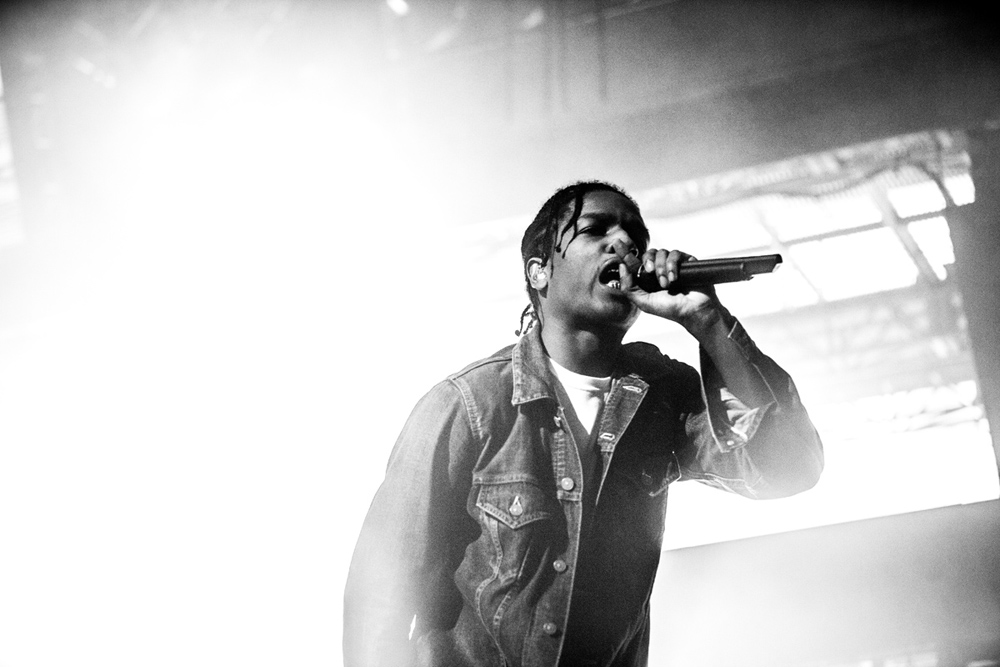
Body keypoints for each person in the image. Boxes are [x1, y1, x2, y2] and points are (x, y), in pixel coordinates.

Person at [343, 181, 823, 667]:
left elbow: (788, 468)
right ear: (540, 271)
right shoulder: (470, 404)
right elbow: (379, 597)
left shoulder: (663, 397)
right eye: (596, 229)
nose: (626, 245)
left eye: (635, 235)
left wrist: (709, 322)